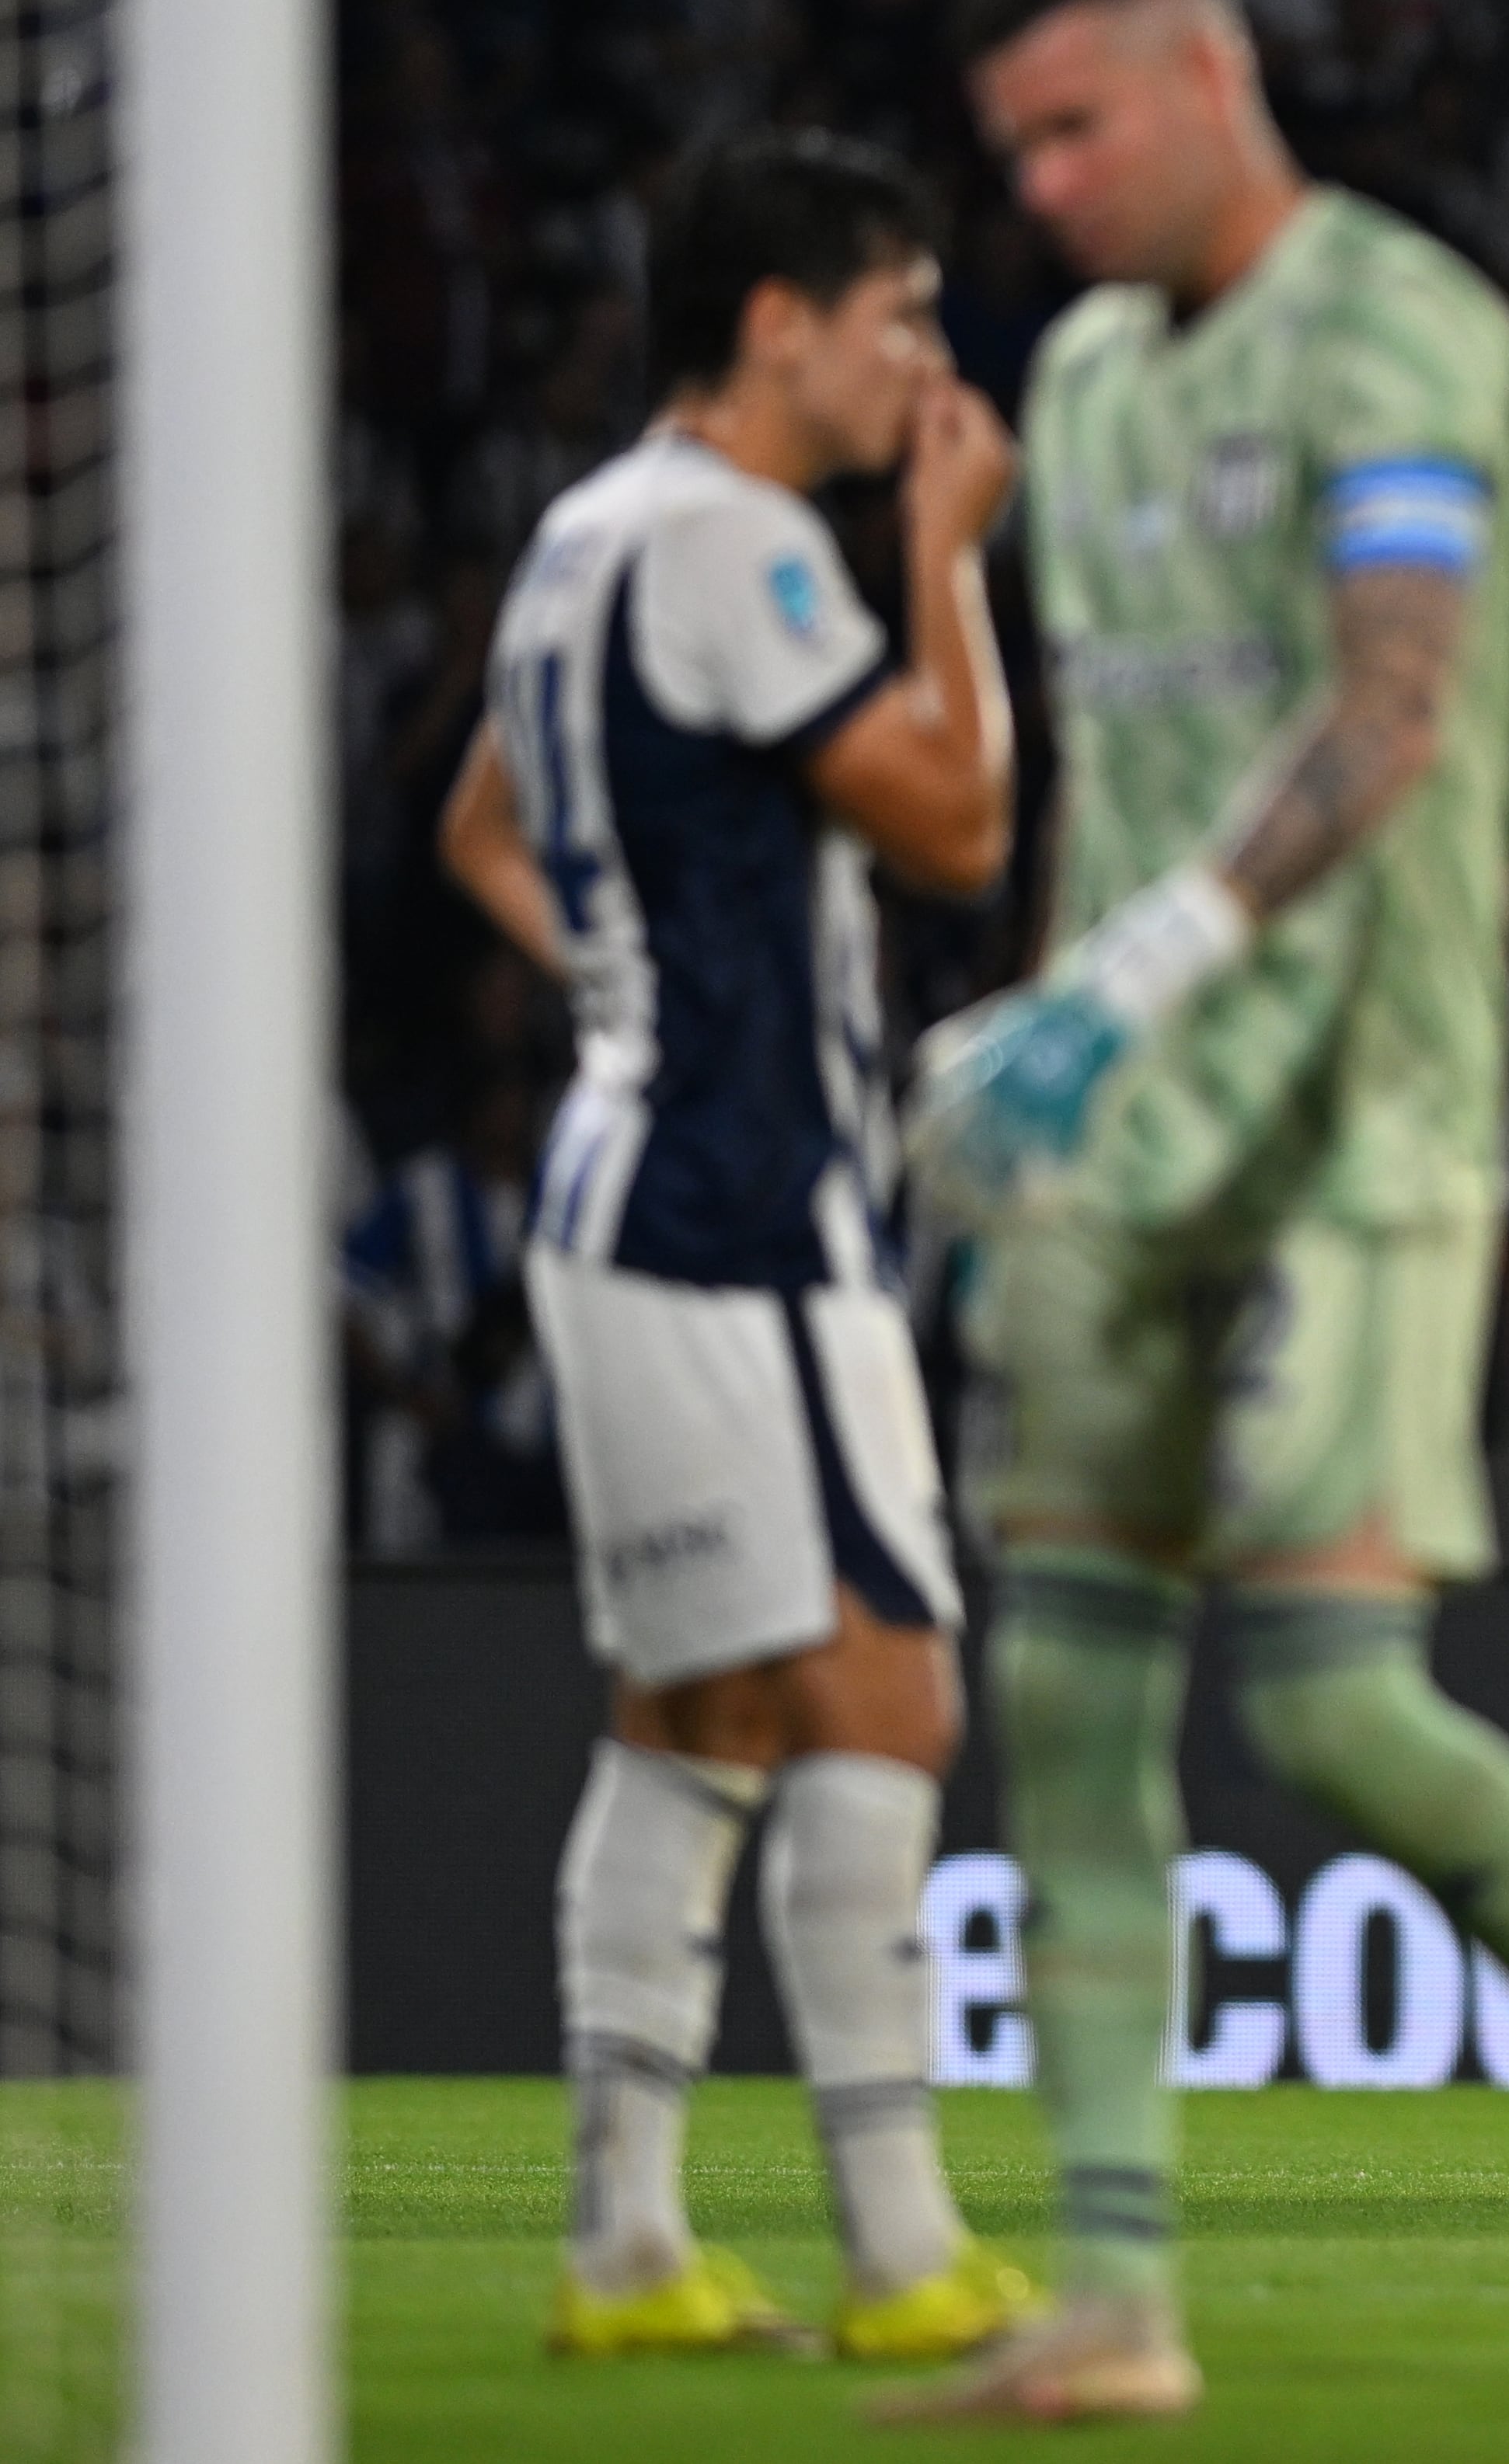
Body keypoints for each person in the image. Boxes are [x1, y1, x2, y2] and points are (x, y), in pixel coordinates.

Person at [903, 0, 1509, 2418]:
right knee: (1064, 1684)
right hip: (1121, 1140)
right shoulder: (1079, 378)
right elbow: (1115, 759)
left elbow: (1392, 709)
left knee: (1323, 1704)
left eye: (1076, 128)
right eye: (1012, 149)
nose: (1044, 186)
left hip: (1354, 1124)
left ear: (1211, 78)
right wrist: (1049, 1044)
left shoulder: (1404, 325)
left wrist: (1139, 974)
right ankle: (1114, 2293)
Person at [434, 127, 1038, 2361]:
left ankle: (624, 2244)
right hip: (740, 1206)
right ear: (778, 323)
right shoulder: (733, 538)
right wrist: (945, 554)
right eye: (900, 316)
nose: (928, 367)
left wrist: (631, 994)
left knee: (690, 1718)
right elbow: (959, 821)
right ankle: (900, 2248)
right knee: (887, 1682)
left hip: (622, 1180)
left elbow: (481, 823)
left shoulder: (581, 534)